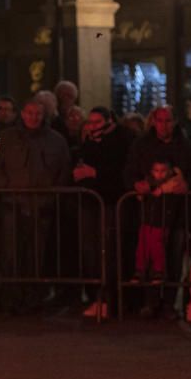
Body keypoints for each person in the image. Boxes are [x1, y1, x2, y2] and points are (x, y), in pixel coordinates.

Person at [0, 98, 71, 313]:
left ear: (43, 116)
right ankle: (12, 299)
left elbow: (64, 169)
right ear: (22, 114)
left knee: (36, 256)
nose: (33, 118)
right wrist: (5, 186)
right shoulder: (6, 138)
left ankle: (33, 299)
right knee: (11, 254)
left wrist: (51, 194)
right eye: (30, 113)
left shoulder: (56, 141)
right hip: (12, 205)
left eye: (38, 114)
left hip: (41, 207)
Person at [123, 106, 191, 318]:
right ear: (153, 121)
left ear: (174, 122)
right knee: (150, 255)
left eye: (167, 121)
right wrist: (136, 184)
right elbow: (130, 171)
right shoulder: (142, 144)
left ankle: (168, 302)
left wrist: (188, 185)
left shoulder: (187, 145)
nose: (163, 125)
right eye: (159, 121)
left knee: (174, 256)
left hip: (176, 212)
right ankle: (150, 301)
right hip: (150, 211)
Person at [73, 107, 135, 317]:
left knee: (110, 252)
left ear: (110, 121)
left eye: (97, 122)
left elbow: (123, 172)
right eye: (90, 122)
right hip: (92, 201)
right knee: (93, 251)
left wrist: (95, 172)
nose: (93, 127)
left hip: (111, 202)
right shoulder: (89, 141)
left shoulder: (123, 141)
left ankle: (112, 299)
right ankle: (97, 297)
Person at [133, 159, 186, 284]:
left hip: (161, 222)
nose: (160, 174)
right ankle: (140, 270)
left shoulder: (172, 185)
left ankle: (159, 271)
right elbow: (140, 195)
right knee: (143, 246)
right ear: (152, 171)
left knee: (158, 246)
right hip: (147, 220)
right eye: (156, 171)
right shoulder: (148, 182)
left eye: (163, 171)